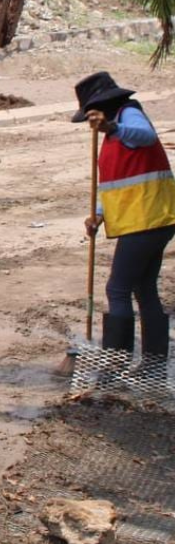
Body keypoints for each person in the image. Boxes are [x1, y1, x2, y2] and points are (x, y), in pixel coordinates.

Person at [75, 72, 175, 377]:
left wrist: (113, 127)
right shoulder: (111, 136)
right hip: (151, 217)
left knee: (117, 288)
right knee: (144, 288)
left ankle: (115, 362)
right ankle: (154, 362)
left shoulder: (129, 115)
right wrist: (98, 214)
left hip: (147, 218)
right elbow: (113, 183)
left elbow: (146, 135)